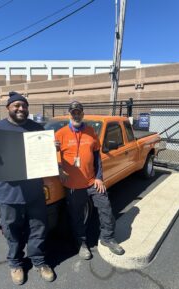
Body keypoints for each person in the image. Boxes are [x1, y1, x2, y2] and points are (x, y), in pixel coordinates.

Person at [0, 91, 55, 285]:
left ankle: (39, 261)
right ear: (8, 108)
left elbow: (44, 153)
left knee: (38, 228)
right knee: (12, 230)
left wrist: (52, 147)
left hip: (34, 191)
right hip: (8, 192)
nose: (21, 109)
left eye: (24, 105)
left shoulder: (36, 128)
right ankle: (15, 263)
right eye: (16, 105)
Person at [55, 101, 125, 260]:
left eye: (79, 112)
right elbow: (50, 156)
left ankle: (107, 238)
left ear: (82, 113)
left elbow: (97, 157)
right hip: (73, 185)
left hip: (92, 182)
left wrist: (99, 178)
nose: (76, 115)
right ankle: (81, 243)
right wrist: (59, 169)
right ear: (69, 114)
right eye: (73, 112)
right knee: (77, 216)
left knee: (105, 206)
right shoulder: (60, 134)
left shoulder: (91, 132)